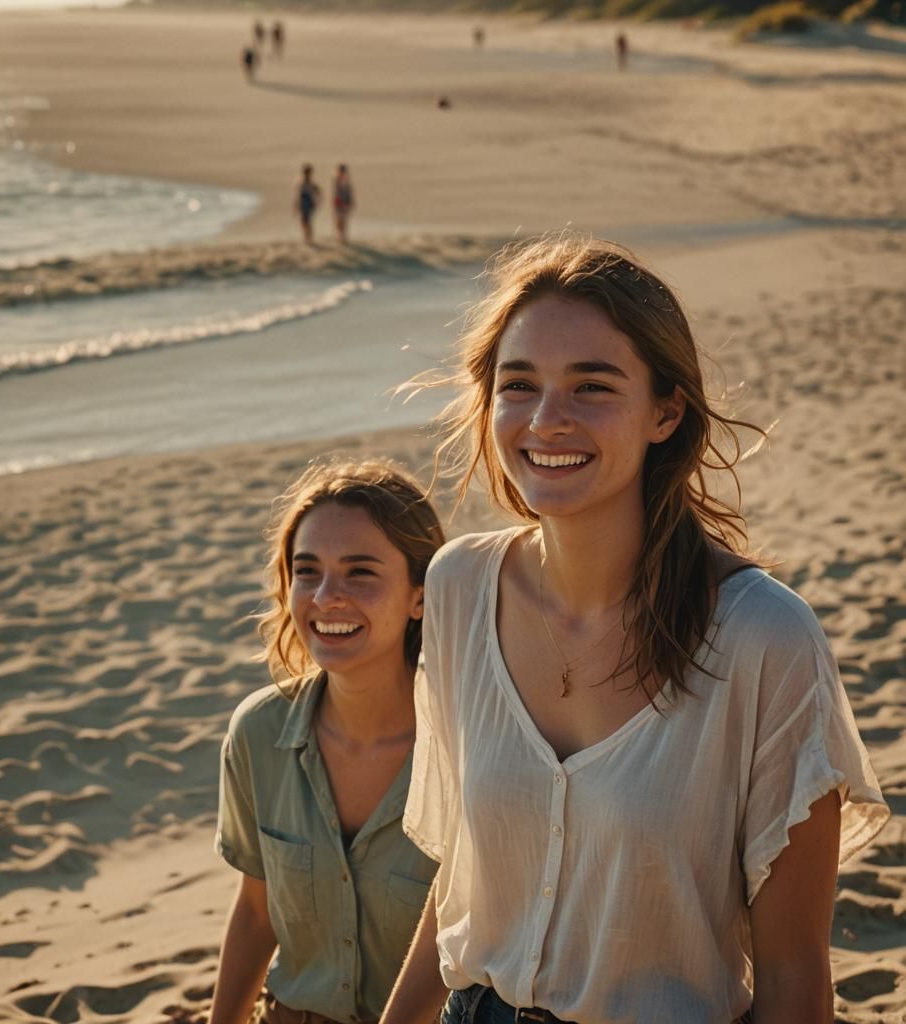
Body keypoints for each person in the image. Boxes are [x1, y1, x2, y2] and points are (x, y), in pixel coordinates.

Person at [380, 236, 889, 1024]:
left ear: (666, 411)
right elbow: (460, 885)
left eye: (592, 385)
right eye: (520, 385)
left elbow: (794, 982)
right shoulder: (456, 588)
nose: (548, 420)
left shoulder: (764, 639)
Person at [209, 460, 446, 1024]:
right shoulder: (258, 734)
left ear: (419, 593)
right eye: (307, 571)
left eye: (360, 572)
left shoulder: (464, 746)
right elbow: (255, 914)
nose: (325, 597)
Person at [296, 164, 321, 244]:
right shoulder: (303, 182)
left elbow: (317, 192)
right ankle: (307, 237)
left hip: (307, 204)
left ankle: (308, 238)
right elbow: (298, 195)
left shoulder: (308, 183)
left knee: (306, 221)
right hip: (304, 204)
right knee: (305, 221)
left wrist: (316, 201)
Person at [333, 164, 355, 244]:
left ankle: (343, 236)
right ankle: (339, 236)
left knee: (344, 220)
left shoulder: (347, 181)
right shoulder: (336, 180)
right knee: (339, 220)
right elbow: (335, 193)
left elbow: (350, 192)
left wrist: (351, 202)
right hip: (338, 203)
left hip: (345, 202)